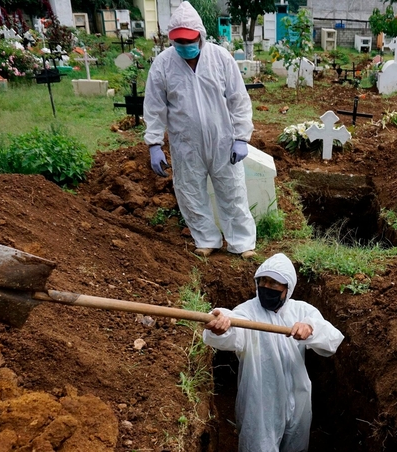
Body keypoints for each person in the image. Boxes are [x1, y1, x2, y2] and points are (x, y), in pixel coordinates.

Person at [144, 1, 256, 259]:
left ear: (200, 36)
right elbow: (154, 106)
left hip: (223, 142)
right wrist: (154, 144)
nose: (185, 46)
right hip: (186, 143)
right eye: (179, 41)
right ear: (172, 39)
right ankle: (206, 239)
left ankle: (242, 243)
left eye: (189, 40)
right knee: (190, 192)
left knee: (233, 191)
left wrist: (241, 138)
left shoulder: (220, 58)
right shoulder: (163, 65)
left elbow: (238, 99)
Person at [203, 253, 344, 452]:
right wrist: (220, 326)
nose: (267, 287)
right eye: (263, 281)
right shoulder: (247, 313)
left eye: (275, 283)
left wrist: (311, 329)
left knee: (295, 446)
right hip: (261, 401)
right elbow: (231, 329)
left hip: (298, 395)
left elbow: (332, 340)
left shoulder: (301, 311)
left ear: (288, 288)